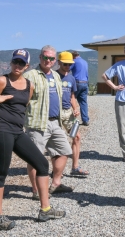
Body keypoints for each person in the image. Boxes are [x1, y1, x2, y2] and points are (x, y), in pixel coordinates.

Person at [0, 49, 65, 231]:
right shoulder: (3, 80)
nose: (17, 66)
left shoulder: (30, 85)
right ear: (11, 63)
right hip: (2, 130)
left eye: (21, 63)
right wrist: (1, 97)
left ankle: (45, 209)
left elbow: (25, 105)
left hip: (18, 132)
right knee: (1, 175)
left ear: (27, 65)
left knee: (42, 165)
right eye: (15, 62)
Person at [24, 45, 74, 198]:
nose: (49, 60)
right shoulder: (30, 75)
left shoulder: (56, 76)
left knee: (64, 151)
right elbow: (23, 99)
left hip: (55, 122)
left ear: (55, 60)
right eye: (46, 57)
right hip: (37, 123)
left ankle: (56, 183)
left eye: (52, 58)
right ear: (40, 58)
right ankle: (36, 190)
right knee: (35, 158)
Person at [57, 51, 89, 176]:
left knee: (76, 137)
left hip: (68, 112)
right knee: (57, 142)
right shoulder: (53, 76)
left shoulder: (71, 78)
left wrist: (75, 108)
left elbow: (72, 96)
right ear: (59, 62)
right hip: (56, 113)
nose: (67, 67)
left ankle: (75, 167)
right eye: (65, 64)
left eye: (70, 64)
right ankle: (57, 171)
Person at [70, 51, 89, 126]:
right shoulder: (85, 62)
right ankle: (85, 120)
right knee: (83, 102)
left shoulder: (74, 61)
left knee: (71, 99)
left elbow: (67, 69)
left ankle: (70, 119)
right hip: (85, 82)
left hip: (77, 82)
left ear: (73, 56)